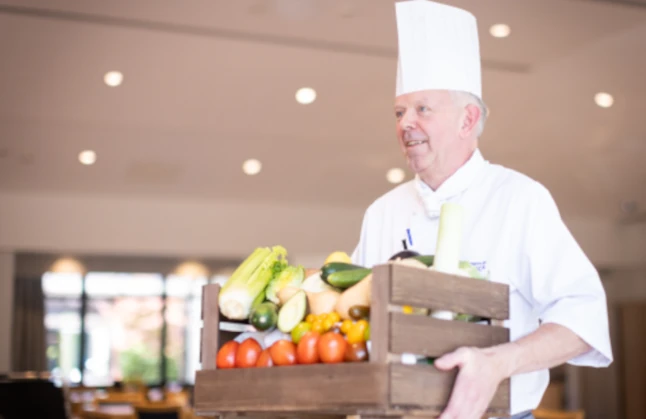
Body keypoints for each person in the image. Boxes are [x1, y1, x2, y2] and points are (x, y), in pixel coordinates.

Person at [350, 1, 613, 418]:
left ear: (467, 120)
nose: (405, 123)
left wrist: (497, 363)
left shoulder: (519, 199)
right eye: (399, 112)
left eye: (422, 109)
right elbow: (352, 317)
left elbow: (583, 319)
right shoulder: (382, 212)